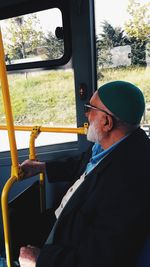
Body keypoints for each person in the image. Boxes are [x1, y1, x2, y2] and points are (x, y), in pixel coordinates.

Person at [19, 80, 150, 267]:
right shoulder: (110, 144)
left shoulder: (129, 182)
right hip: (66, 216)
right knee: (16, 226)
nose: (86, 114)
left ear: (107, 122)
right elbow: (83, 164)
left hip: (71, 239)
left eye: (90, 108)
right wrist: (42, 167)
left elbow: (103, 257)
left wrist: (41, 260)